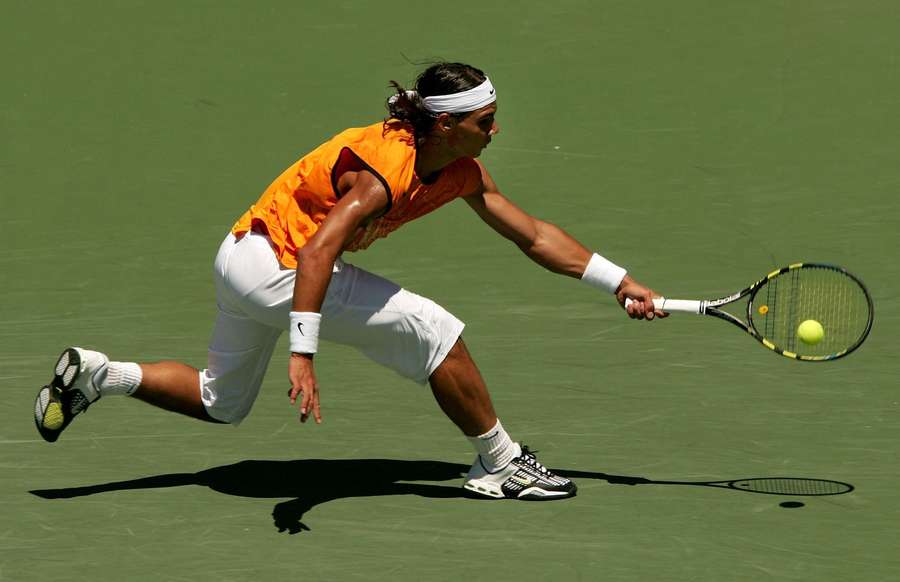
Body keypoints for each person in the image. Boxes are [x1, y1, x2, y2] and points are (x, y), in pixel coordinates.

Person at [34, 62, 664, 501]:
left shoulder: (460, 171)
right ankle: (500, 465)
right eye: (484, 121)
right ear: (445, 124)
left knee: (221, 402)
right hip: (282, 266)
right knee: (433, 329)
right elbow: (316, 254)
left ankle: (99, 374)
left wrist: (620, 282)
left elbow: (532, 235)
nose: (494, 130)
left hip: (237, 256)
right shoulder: (384, 171)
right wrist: (302, 352)